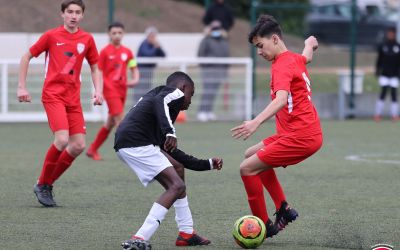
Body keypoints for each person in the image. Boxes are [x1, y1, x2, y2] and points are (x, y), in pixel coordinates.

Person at [231, 15, 323, 239]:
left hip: (300, 137)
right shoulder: (293, 59)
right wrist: (309, 43)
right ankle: (284, 208)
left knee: (246, 168)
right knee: (250, 154)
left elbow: (281, 99)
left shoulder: (281, 66)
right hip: (299, 133)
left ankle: (263, 226)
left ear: (274, 39)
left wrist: (255, 122)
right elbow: (306, 58)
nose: (259, 52)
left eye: (260, 46)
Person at [115, 71, 223, 249]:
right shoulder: (171, 93)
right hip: (136, 142)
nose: (189, 100)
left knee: (178, 169)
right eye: (191, 94)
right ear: (183, 88)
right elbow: (162, 101)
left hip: (130, 142)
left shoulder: (161, 107)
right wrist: (170, 131)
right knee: (176, 186)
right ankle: (140, 237)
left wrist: (207, 164)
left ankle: (186, 233)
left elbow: (171, 151)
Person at [17, 0, 102, 207]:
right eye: (70, 12)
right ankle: (44, 184)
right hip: (53, 95)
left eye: (77, 12)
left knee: (79, 146)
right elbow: (27, 56)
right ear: (62, 14)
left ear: (82, 15)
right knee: (62, 139)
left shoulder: (87, 39)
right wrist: (21, 86)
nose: (73, 15)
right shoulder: (51, 36)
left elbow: (95, 66)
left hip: (73, 99)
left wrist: (98, 91)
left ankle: (45, 183)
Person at [86, 22, 140, 161]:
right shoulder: (104, 51)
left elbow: (133, 67)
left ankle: (92, 149)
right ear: (109, 34)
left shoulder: (127, 52)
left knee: (110, 123)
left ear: (123, 34)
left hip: (123, 90)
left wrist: (135, 79)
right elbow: (98, 70)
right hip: (110, 90)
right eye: (114, 33)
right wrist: (100, 89)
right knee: (121, 122)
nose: (117, 35)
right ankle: (132, 153)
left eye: (119, 33)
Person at [197, 20, 230, 122]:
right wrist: (207, 66)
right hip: (208, 71)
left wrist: (225, 70)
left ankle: (209, 111)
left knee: (214, 92)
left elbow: (226, 56)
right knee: (207, 91)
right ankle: (202, 111)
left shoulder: (224, 41)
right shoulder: (206, 40)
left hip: (220, 71)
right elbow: (200, 55)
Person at [134, 26, 166, 103]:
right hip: (141, 71)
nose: (153, 38)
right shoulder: (144, 44)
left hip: (148, 71)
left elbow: (163, 55)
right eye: (151, 36)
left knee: (146, 90)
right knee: (139, 91)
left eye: (154, 36)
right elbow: (148, 55)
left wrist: (159, 48)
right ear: (147, 36)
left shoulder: (153, 45)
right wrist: (155, 47)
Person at [374, 26, 400, 122]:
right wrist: (377, 70)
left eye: (392, 33)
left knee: (394, 94)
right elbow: (379, 60)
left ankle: (394, 115)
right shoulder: (383, 46)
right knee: (383, 93)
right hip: (384, 74)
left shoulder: (398, 46)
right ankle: (377, 114)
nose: (390, 35)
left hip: (395, 75)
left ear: (395, 34)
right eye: (389, 33)